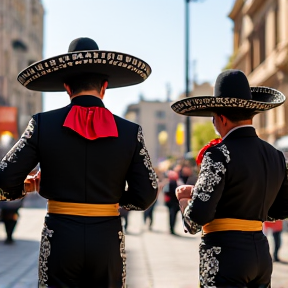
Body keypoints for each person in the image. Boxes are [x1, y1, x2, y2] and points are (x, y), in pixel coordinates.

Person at [0, 37, 158, 288]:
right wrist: (114, 198)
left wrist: (27, 187)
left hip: (60, 237)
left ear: (66, 87)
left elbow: (5, 178)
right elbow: (147, 194)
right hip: (107, 238)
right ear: (104, 87)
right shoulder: (130, 131)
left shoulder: (42, 124)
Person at [172, 69, 288, 287]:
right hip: (261, 253)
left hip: (224, 254)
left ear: (221, 118)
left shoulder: (218, 153)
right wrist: (251, 213)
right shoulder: (276, 155)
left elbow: (195, 221)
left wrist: (184, 199)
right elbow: (282, 209)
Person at [163, 170, 183, 235]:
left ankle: (171, 228)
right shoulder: (173, 183)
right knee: (173, 216)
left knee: (172, 216)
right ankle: (172, 229)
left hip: (170, 202)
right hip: (173, 203)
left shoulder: (169, 182)